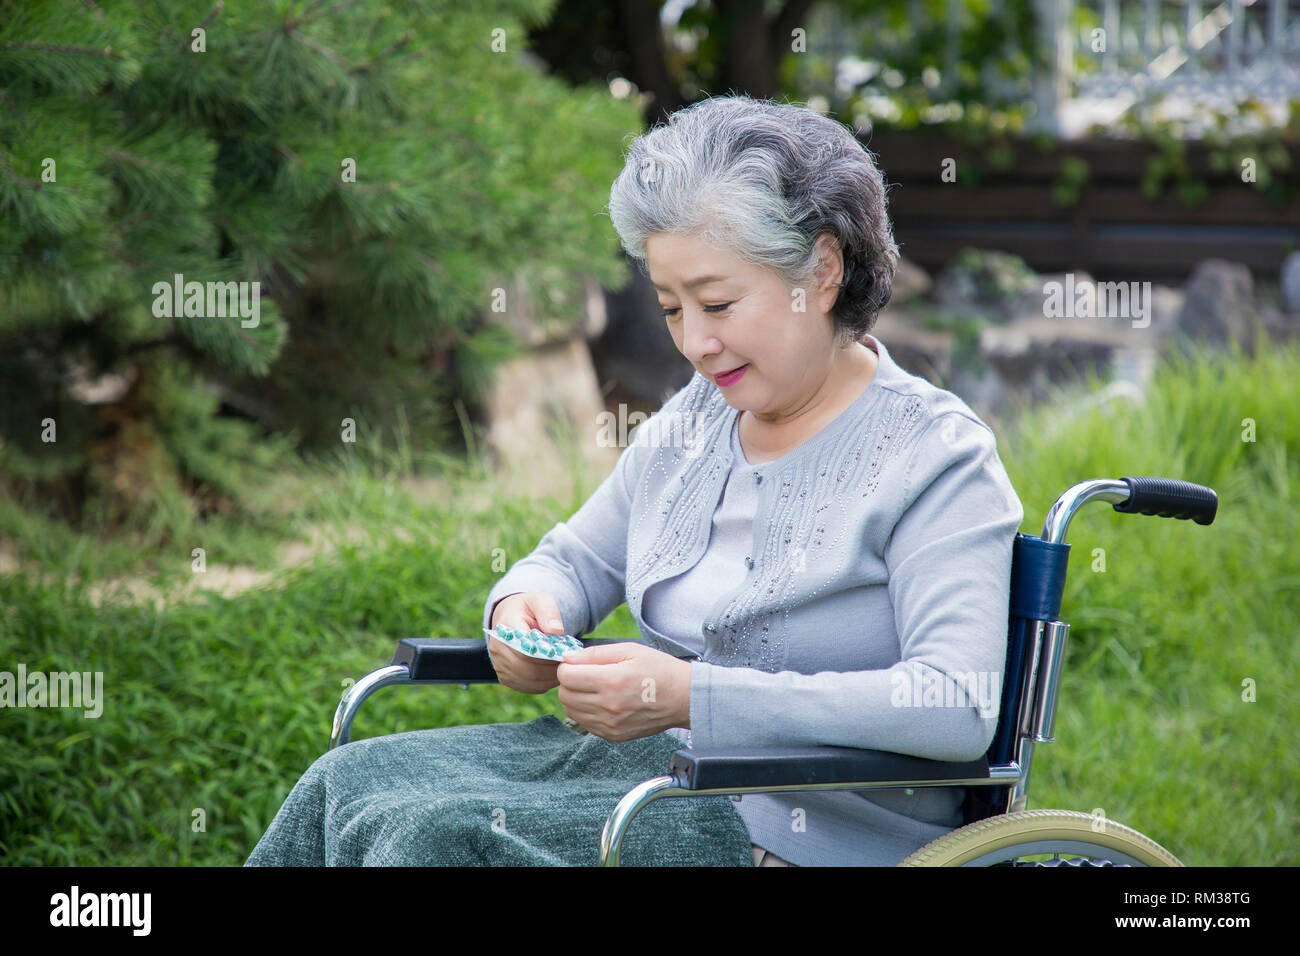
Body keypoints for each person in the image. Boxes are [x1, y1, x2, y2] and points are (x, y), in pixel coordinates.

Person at [246, 94, 1023, 868]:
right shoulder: (694, 423)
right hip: (635, 777)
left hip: (793, 827)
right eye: (671, 308)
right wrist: (524, 610)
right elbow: (572, 562)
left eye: (717, 303)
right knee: (347, 783)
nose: (696, 342)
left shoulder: (936, 459)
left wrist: (692, 696)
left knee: (440, 841)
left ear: (821, 271)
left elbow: (953, 704)